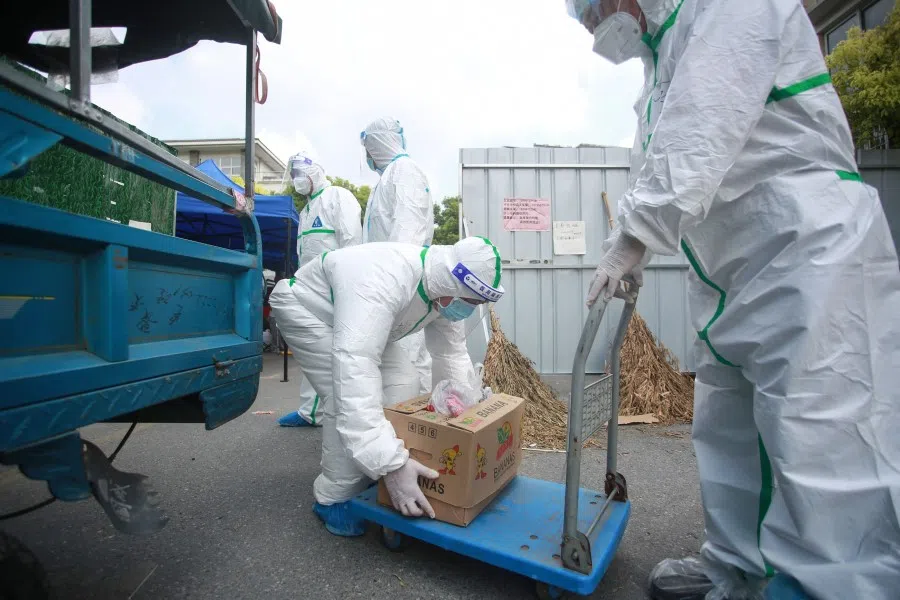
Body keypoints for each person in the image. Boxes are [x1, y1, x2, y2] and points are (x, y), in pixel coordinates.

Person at [566, 1, 900, 599]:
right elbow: (659, 163)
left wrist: (634, 236)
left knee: (820, 434)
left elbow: (704, 120)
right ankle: (736, 567)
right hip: (730, 274)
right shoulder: (660, 61)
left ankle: (831, 586)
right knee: (729, 430)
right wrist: (638, 241)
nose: (594, 32)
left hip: (804, 253)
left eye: (592, 13)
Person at [268, 236, 504, 535]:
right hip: (308, 309)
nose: (469, 310)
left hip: (357, 322)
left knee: (404, 383)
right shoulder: (385, 278)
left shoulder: (445, 292)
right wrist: (390, 466)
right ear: (451, 283)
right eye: (471, 302)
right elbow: (356, 367)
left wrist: (465, 406)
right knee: (343, 398)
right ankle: (333, 497)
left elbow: (450, 352)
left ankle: (373, 466)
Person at [277, 149, 362, 428]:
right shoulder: (306, 210)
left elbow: (351, 242)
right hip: (312, 289)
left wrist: (348, 287)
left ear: (315, 172)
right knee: (313, 349)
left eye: (300, 173)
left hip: (336, 288)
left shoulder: (338, 197)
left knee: (341, 349)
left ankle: (345, 411)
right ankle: (312, 411)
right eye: (293, 174)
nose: (295, 179)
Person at [360, 117, 435, 396]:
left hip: (402, 286)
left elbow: (408, 235)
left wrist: (393, 285)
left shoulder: (405, 171)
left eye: (368, 148)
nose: (366, 156)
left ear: (377, 144)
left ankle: (413, 428)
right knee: (397, 362)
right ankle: (403, 424)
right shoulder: (387, 178)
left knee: (408, 359)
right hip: (388, 285)